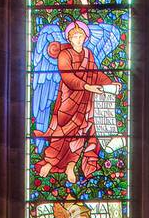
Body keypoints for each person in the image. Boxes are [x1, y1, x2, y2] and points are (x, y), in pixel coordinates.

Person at [36, 21, 121, 183]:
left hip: (86, 100)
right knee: (63, 131)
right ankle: (49, 161)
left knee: (81, 132)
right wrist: (87, 86)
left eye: (81, 35)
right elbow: (67, 77)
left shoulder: (88, 54)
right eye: (75, 36)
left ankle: (71, 165)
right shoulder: (64, 55)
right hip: (69, 99)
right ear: (69, 38)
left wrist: (109, 83)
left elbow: (95, 73)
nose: (79, 39)